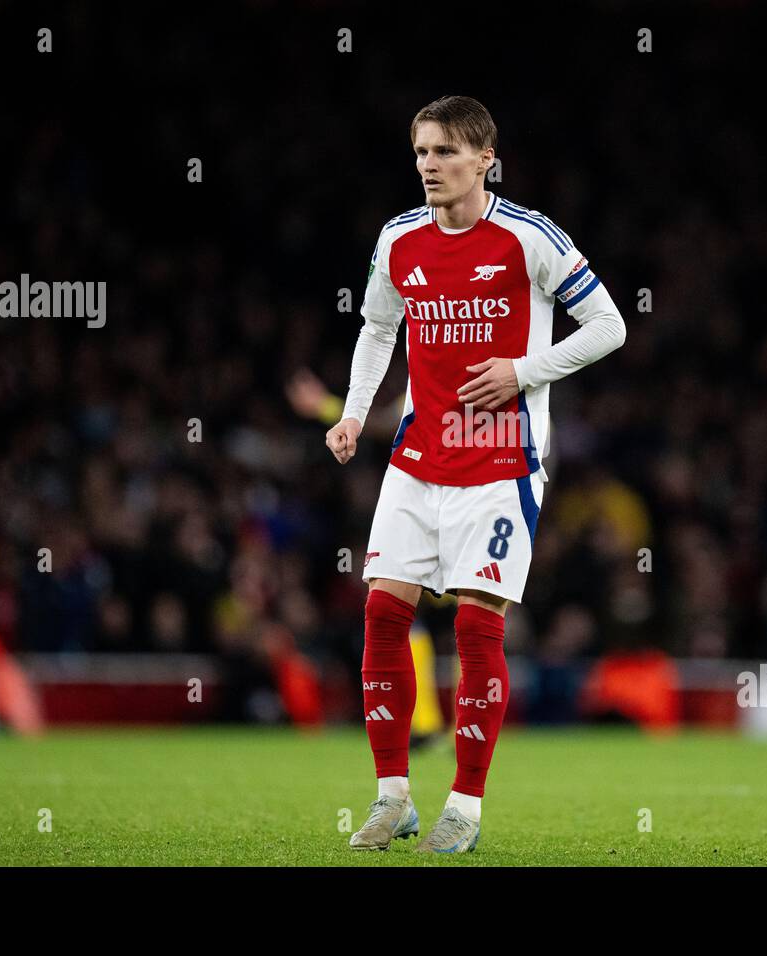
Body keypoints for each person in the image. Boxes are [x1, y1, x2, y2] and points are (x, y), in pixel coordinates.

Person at [326, 95, 626, 852]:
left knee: (473, 624)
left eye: (446, 153)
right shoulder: (398, 239)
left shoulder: (530, 238)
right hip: (418, 457)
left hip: (501, 461)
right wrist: (356, 414)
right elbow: (376, 329)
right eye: (422, 152)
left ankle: (465, 804)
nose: (429, 165)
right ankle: (393, 794)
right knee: (382, 614)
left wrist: (523, 371)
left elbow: (609, 325)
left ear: (486, 158)